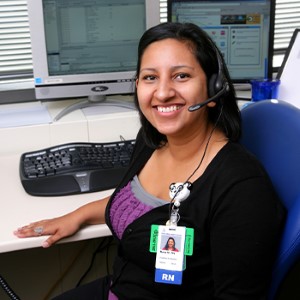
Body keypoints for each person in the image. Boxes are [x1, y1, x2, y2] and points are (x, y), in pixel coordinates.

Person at [14, 22, 285, 299]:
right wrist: (77, 215)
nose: (163, 92)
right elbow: (137, 202)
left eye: (181, 76)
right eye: (150, 77)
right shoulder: (151, 140)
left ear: (214, 88)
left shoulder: (241, 188)